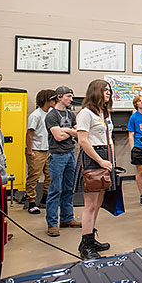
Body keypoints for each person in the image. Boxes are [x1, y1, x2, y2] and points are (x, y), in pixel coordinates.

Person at [73, 79, 115, 259]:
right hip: (93, 159)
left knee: (98, 203)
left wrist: (110, 160)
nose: (108, 93)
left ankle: (89, 238)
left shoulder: (104, 113)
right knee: (90, 205)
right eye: (105, 90)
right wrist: (100, 161)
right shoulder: (85, 113)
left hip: (105, 158)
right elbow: (83, 141)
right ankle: (86, 246)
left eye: (109, 91)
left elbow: (108, 137)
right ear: (96, 91)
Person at [44, 86, 81, 237]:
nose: (71, 99)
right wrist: (69, 132)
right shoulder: (51, 115)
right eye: (68, 96)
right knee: (55, 190)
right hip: (57, 156)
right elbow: (58, 137)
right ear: (59, 97)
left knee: (68, 188)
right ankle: (52, 223)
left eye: (71, 96)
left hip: (70, 153)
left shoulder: (71, 114)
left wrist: (65, 131)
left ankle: (67, 218)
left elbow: (78, 133)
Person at [25, 89, 56, 214]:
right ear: (46, 100)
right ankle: (31, 202)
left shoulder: (50, 114)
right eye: (53, 99)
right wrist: (30, 151)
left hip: (48, 150)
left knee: (50, 176)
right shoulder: (35, 115)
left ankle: (44, 199)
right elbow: (29, 134)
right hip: (37, 150)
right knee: (34, 177)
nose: (55, 101)